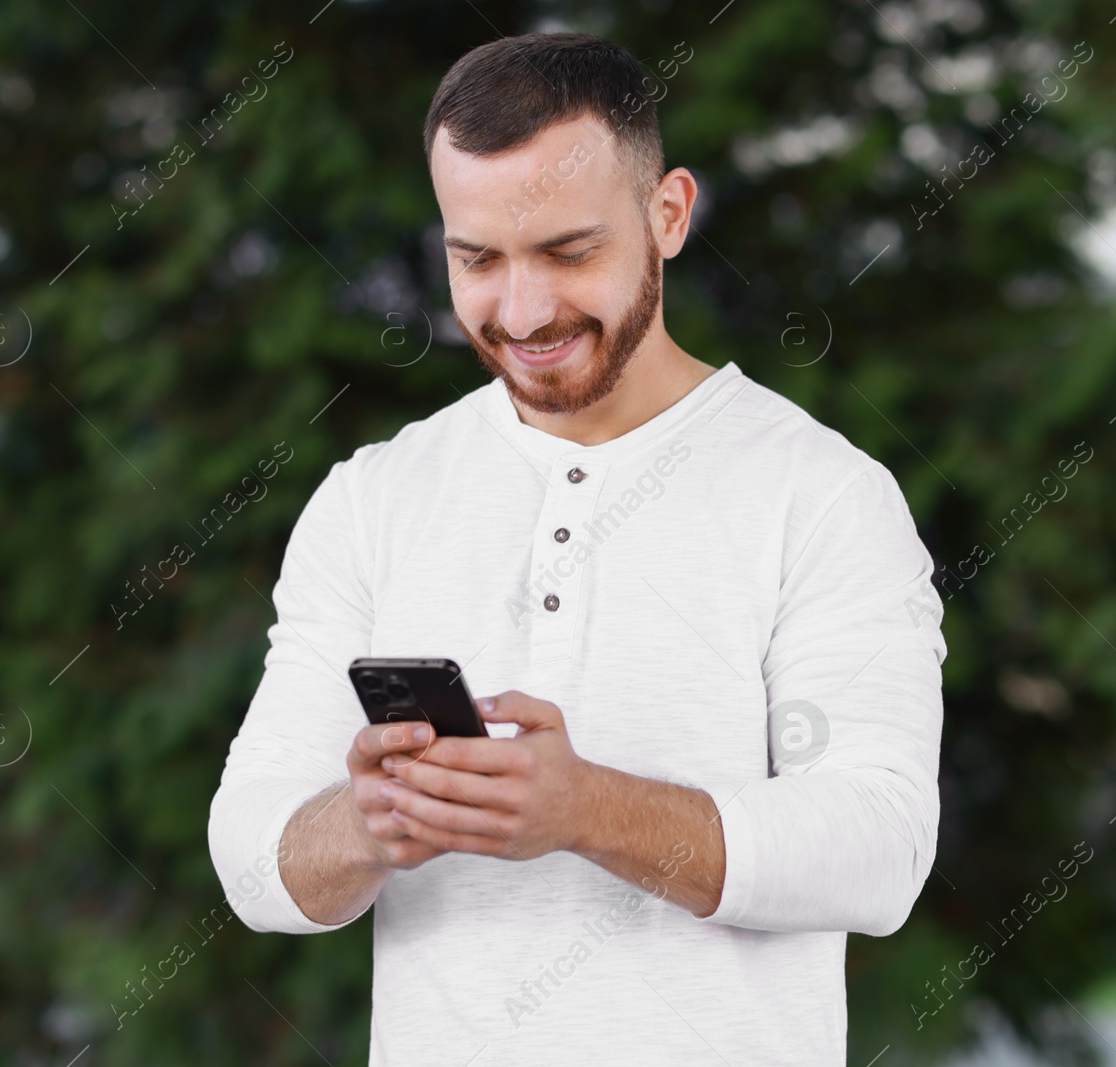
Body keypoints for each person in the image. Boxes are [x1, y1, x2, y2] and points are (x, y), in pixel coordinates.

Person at [208, 30, 946, 1066]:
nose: (522, 310)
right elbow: (252, 862)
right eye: (477, 259)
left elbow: (877, 849)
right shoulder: (375, 497)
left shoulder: (820, 494)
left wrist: (584, 807)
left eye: (567, 251)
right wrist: (370, 821)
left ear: (668, 215)